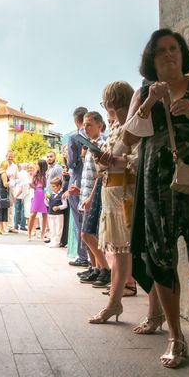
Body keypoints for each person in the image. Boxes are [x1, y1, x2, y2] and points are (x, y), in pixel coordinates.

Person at [123, 28, 189, 377]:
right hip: (157, 187)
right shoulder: (143, 93)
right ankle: (175, 336)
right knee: (161, 262)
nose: (169, 55)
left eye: (174, 49)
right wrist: (151, 102)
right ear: (151, 60)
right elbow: (126, 138)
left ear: (182, 53)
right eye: (161, 51)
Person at [88, 82, 140, 324]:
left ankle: (119, 304)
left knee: (128, 255)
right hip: (112, 196)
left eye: (107, 105)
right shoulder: (116, 128)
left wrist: (114, 160)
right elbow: (104, 166)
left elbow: (139, 160)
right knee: (118, 253)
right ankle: (114, 302)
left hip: (126, 197)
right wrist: (102, 161)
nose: (108, 111)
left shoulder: (133, 126)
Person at [77, 111, 110, 287]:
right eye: (84, 124)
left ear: (100, 126)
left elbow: (100, 174)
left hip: (94, 194)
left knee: (88, 233)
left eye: (89, 124)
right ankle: (96, 267)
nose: (85, 128)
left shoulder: (102, 144)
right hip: (86, 193)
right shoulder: (91, 145)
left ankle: (105, 269)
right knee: (86, 235)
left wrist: (90, 196)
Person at [65, 107, 89, 267]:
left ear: (75, 120)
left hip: (77, 181)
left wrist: (67, 158)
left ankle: (82, 256)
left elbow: (72, 162)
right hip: (90, 181)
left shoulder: (74, 137)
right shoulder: (97, 134)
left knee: (78, 220)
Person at [27, 159, 48, 241]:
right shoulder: (35, 174)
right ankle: (29, 234)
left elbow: (46, 186)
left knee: (44, 215)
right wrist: (32, 185)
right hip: (36, 194)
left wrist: (46, 194)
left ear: (41, 166)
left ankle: (42, 234)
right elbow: (33, 184)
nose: (36, 166)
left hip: (44, 194)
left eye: (38, 165)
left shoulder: (46, 174)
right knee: (32, 215)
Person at [45, 177, 67, 248]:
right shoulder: (51, 194)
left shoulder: (62, 195)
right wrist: (45, 199)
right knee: (52, 228)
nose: (52, 188)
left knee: (58, 229)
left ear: (59, 186)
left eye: (54, 187)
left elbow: (65, 205)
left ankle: (57, 242)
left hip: (59, 215)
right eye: (52, 187)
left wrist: (58, 207)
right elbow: (48, 204)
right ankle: (52, 241)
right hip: (51, 214)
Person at [0, 160, 10, 235]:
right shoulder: (4, 173)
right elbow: (5, 184)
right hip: (3, 192)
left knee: (0, 210)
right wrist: (11, 182)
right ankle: (1, 229)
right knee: (3, 210)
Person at [13, 163, 29, 231]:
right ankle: (22, 225)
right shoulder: (25, 173)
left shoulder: (19, 173)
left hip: (17, 193)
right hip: (21, 194)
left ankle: (16, 225)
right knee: (23, 211)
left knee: (17, 211)